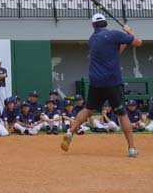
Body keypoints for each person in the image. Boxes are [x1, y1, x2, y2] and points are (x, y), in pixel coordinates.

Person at [61, 13, 143, 157]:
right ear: (106, 23)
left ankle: (70, 132)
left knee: (87, 109)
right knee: (122, 114)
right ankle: (131, 147)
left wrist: (124, 39)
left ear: (93, 26)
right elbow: (138, 42)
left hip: (96, 82)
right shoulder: (114, 35)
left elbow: (115, 53)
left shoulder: (92, 39)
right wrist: (129, 33)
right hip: (113, 82)